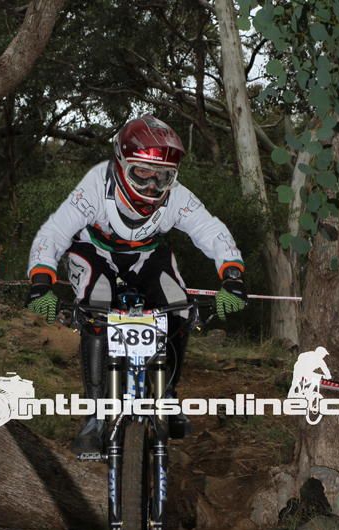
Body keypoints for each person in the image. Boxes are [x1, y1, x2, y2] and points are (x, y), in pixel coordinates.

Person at [26, 114, 247, 455]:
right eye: (141, 173)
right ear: (119, 163)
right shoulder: (95, 185)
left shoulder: (176, 196)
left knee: (178, 307)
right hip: (94, 251)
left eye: (163, 176)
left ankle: (167, 395)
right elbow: (55, 232)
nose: (152, 187)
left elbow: (211, 231)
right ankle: (96, 416)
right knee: (97, 307)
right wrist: (41, 282)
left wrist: (232, 278)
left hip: (146, 254)